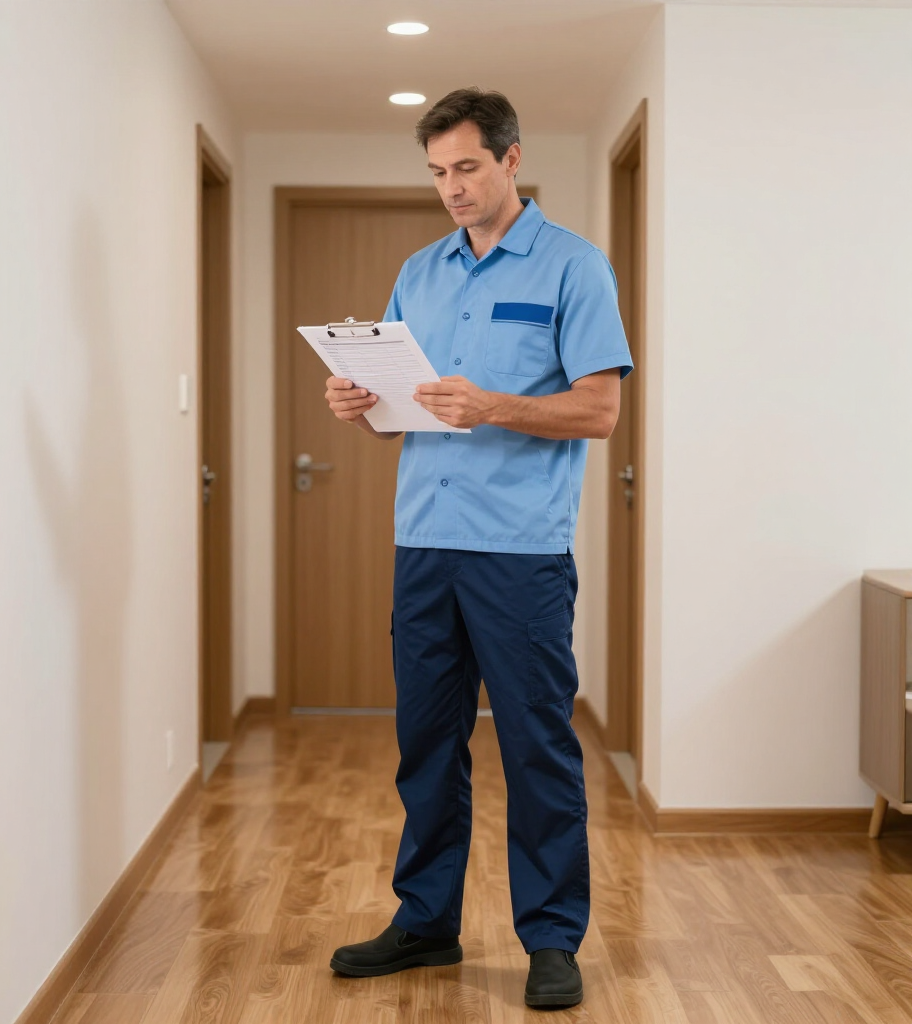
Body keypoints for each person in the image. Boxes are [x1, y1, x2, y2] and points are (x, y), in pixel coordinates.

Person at [323, 87, 633, 1010]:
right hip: (423, 542)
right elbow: (398, 414)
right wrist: (358, 406)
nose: (451, 187)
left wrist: (494, 403)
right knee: (425, 745)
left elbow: (601, 410)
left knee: (537, 746)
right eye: (436, 173)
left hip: (521, 553)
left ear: (509, 160)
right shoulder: (418, 273)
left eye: (465, 167)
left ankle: (549, 938)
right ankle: (425, 921)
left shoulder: (576, 268)